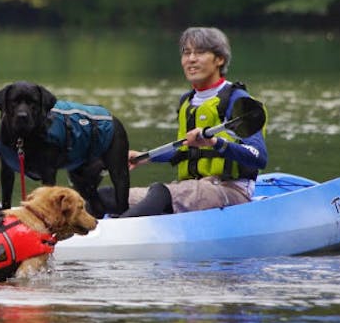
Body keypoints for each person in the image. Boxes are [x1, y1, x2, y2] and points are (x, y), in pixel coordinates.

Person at [114, 27, 268, 217]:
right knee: (112, 196)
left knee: (161, 193)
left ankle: (120, 227)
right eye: (187, 53)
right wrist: (145, 157)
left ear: (219, 59)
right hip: (191, 188)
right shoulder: (187, 101)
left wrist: (216, 142)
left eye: (200, 52)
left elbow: (259, 157)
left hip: (231, 190)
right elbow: (184, 150)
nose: (191, 59)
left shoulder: (238, 101)